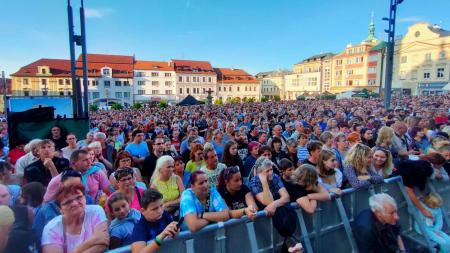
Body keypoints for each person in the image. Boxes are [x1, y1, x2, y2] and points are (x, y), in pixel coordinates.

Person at [249, 158, 301, 252]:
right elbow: (268, 202)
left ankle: (290, 241)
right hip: (264, 220)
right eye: (267, 171)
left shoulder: (275, 177)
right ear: (260, 173)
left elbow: (286, 197)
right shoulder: (254, 182)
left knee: (285, 207)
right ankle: (290, 241)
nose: (271, 173)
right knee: (282, 207)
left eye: (271, 169)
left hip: (278, 216)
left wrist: (274, 204)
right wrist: (264, 182)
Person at [41, 182, 109, 253]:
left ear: (85, 198)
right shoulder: (52, 229)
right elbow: (100, 239)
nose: (75, 203)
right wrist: (93, 240)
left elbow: (103, 243)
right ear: (60, 209)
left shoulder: (95, 211)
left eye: (79, 197)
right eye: (68, 202)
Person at [129, 189, 179, 253]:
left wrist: (176, 229)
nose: (160, 211)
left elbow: (175, 232)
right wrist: (160, 237)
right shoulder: (139, 227)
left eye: (161, 205)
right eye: (154, 209)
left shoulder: (164, 214)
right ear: (143, 211)